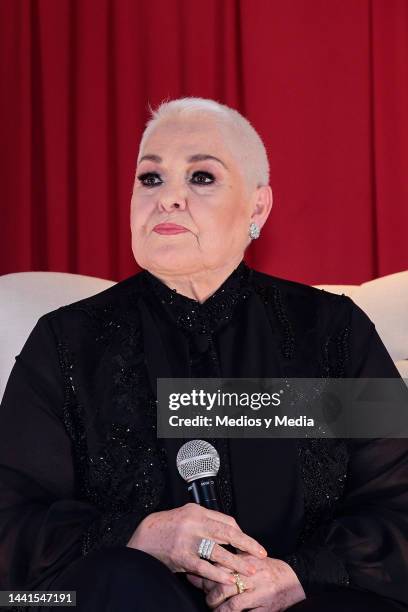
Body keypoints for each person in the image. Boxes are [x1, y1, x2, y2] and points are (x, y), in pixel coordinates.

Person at [0, 97, 407, 612]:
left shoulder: (331, 332)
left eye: (201, 177)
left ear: (257, 207)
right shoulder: (66, 342)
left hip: (303, 601)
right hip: (130, 600)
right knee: (114, 579)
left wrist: (297, 575)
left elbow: (398, 504)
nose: (168, 199)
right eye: (151, 179)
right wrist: (143, 535)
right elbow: (12, 518)